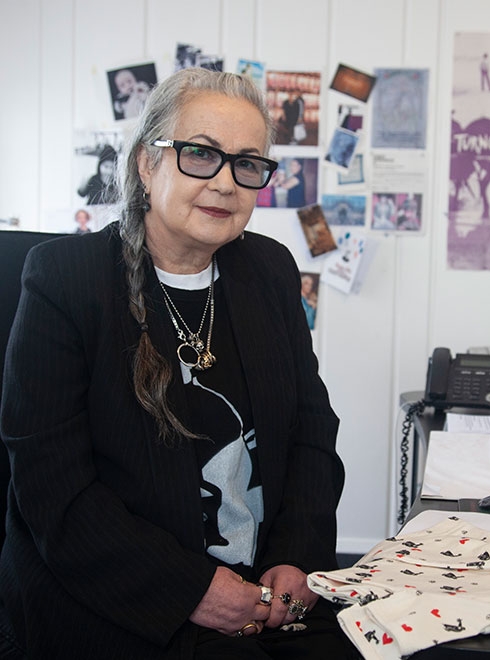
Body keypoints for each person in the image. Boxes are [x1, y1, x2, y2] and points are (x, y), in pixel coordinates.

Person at [0, 68, 355, 660]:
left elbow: (312, 431)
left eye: (247, 164)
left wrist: (296, 554)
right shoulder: (65, 280)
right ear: (147, 163)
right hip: (121, 600)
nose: (226, 183)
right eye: (201, 154)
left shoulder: (269, 270)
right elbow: (52, 489)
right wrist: (191, 589)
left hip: (263, 593)